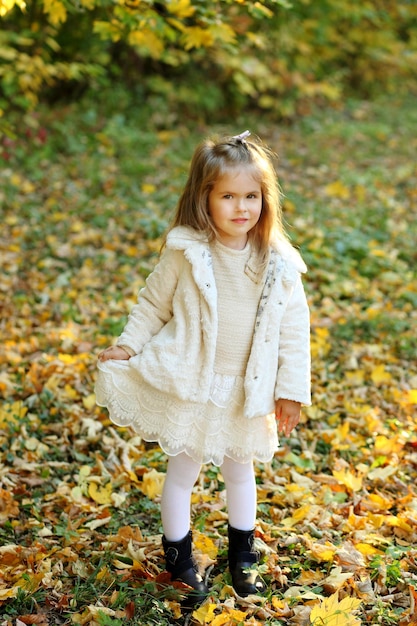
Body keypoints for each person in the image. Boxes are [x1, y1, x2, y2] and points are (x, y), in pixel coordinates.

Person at [95, 130, 311, 606]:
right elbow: (153, 305)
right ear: (204, 199)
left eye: (251, 196)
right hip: (193, 381)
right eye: (228, 196)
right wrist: (128, 346)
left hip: (245, 389)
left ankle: (243, 558)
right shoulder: (187, 252)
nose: (241, 207)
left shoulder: (278, 263)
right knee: (183, 471)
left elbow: (294, 331)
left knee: (241, 472)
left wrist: (290, 390)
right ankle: (180, 560)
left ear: (265, 200)